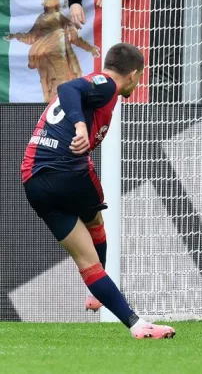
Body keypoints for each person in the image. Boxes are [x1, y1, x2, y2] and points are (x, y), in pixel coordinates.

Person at [20, 43, 176, 339]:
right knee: (96, 221)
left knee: (87, 262)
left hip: (33, 180)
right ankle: (103, 298)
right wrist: (80, 126)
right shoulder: (105, 85)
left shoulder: (98, 89)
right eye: (140, 77)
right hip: (65, 169)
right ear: (133, 74)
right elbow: (67, 88)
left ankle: (133, 321)